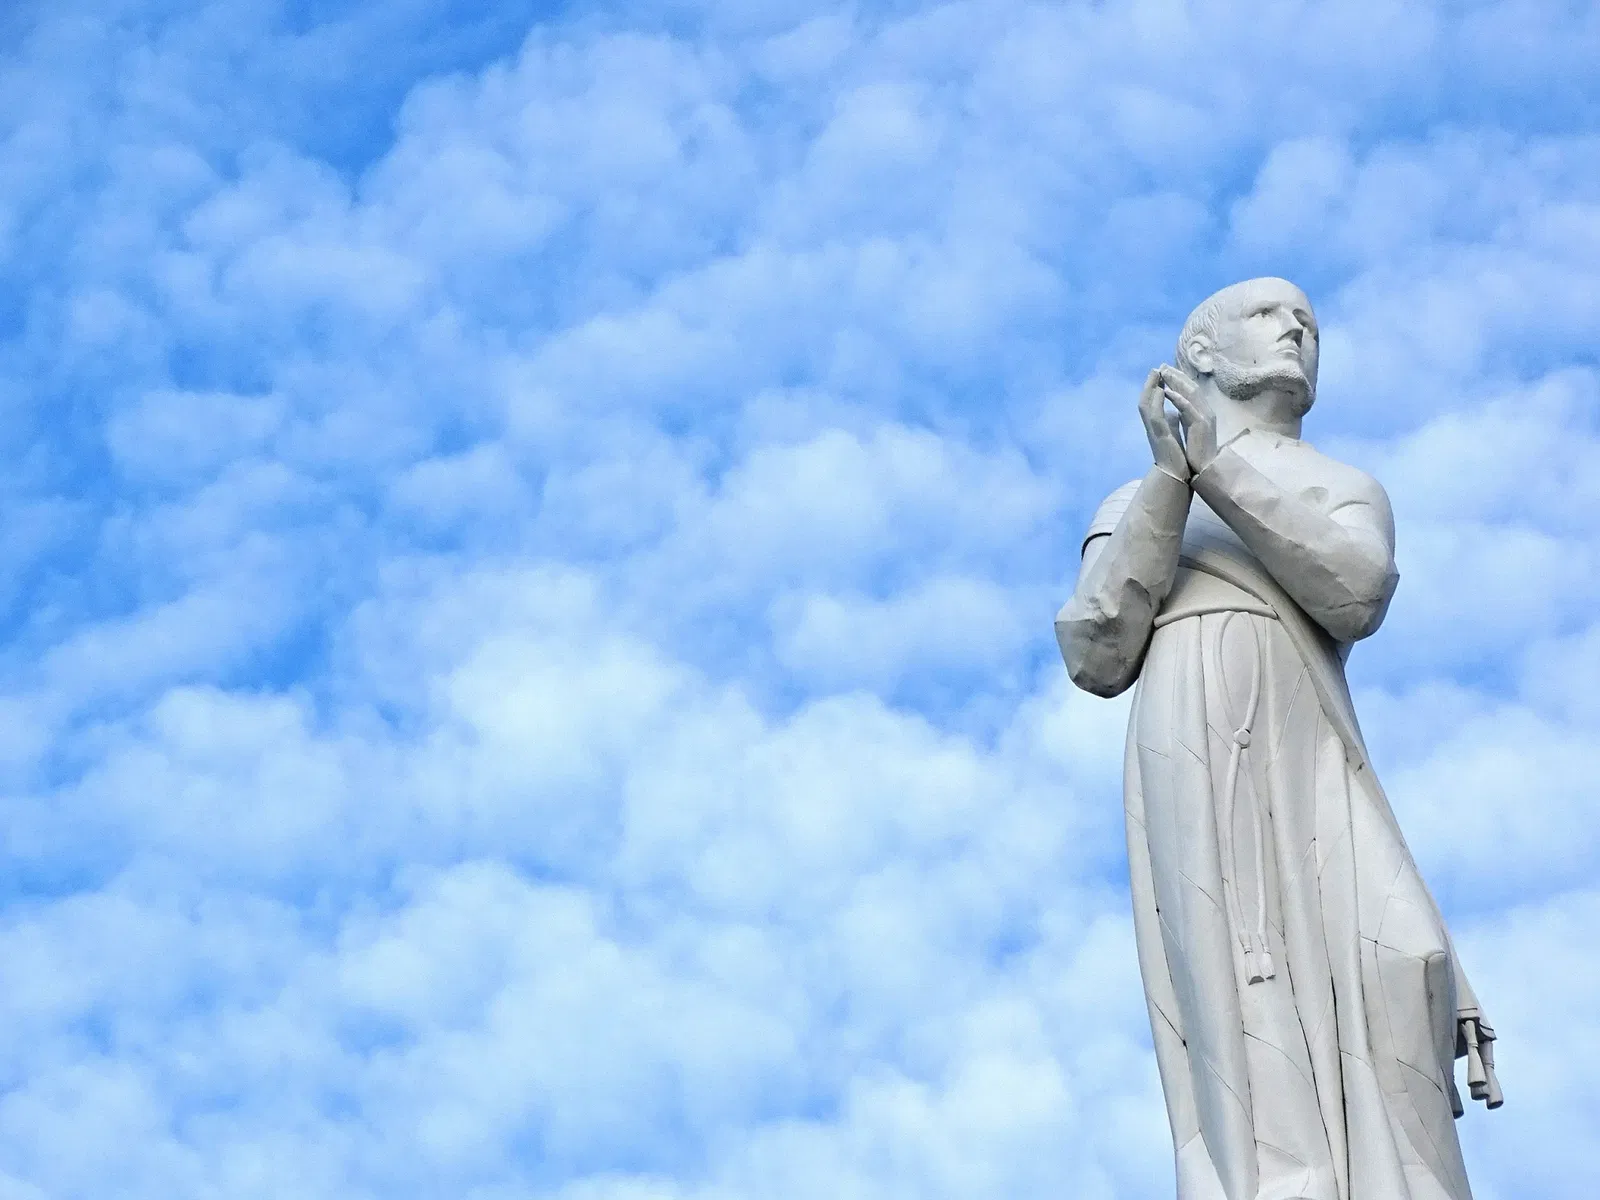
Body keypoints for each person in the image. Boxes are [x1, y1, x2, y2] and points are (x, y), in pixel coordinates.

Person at [1056, 279, 1500, 1200]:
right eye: (1268, 314)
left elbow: (1356, 590)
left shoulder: (1342, 486)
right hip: (1196, 722)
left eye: (1308, 322)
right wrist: (1169, 483)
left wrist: (1215, 470)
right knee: (1238, 979)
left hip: (1312, 739)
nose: (1297, 327)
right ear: (1202, 353)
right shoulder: (1138, 498)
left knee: (1401, 956)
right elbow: (1096, 648)